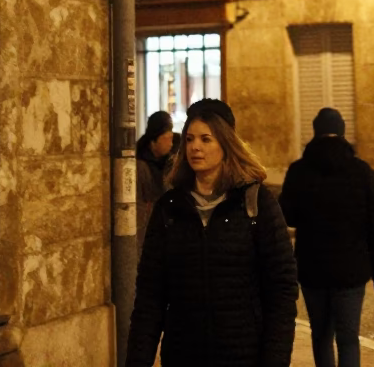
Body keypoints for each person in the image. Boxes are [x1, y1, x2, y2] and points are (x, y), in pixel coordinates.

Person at [126, 97, 297, 367]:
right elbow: (150, 295)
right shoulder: (169, 208)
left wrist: (274, 360)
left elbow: (282, 291)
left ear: (225, 144)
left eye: (206, 139)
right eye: (190, 138)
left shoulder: (256, 204)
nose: (195, 147)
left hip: (243, 356)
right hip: (183, 355)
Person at [279, 107, 374, 367]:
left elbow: (287, 215)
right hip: (352, 269)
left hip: (312, 267)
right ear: (342, 132)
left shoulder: (299, 171)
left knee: (321, 335)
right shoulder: (361, 171)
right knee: (349, 338)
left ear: (315, 133)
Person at [136, 109, 180, 251]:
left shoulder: (171, 160)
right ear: (154, 140)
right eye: (167, 139)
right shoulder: (139, 165)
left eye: (172, 138)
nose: (171, 143)